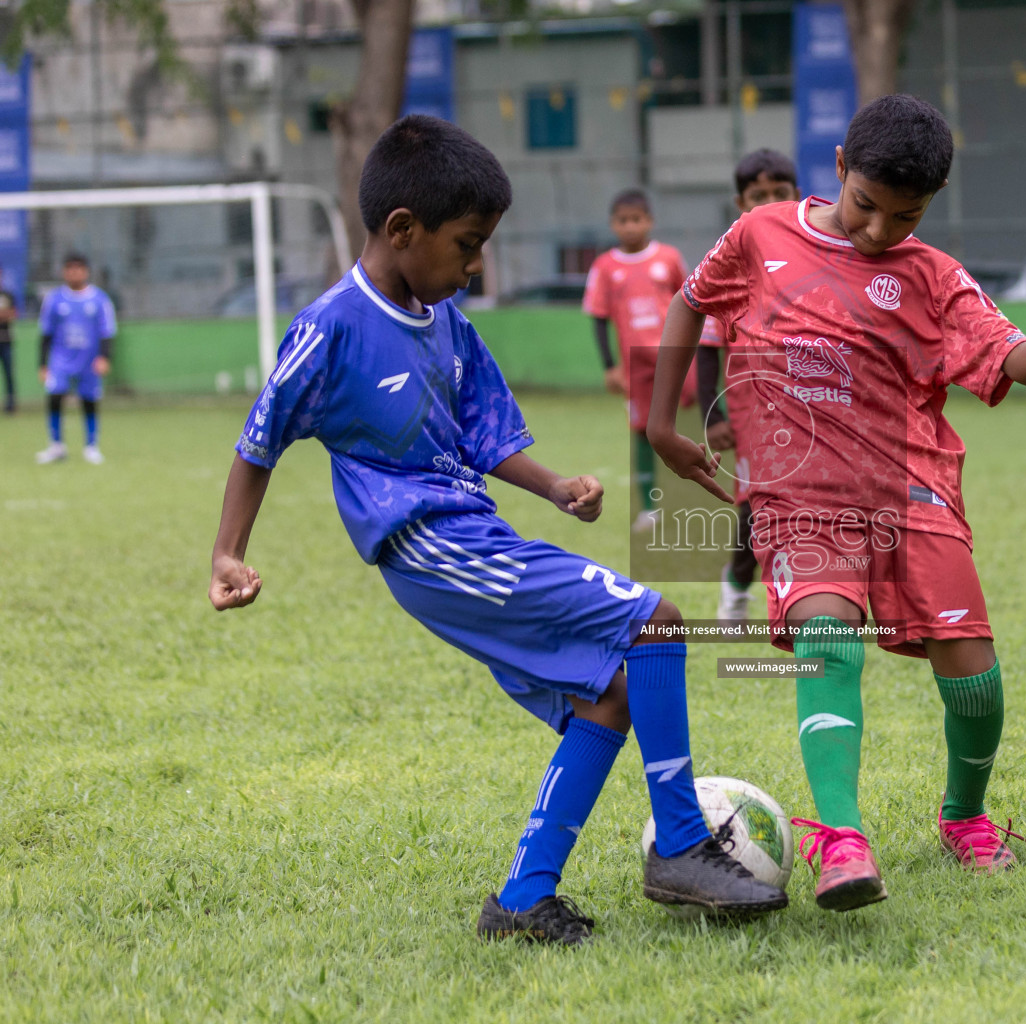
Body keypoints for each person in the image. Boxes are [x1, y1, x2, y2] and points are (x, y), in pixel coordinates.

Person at [206, 115, 787, 946]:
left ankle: (522, 901)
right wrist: (230, 550)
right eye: (468, 244)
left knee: (614, 691)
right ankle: (684, 849)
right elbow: (260, 438)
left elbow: (482, 436)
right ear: (402, 230)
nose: (476, 265)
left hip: (474, 535)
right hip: (428, 548)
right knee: (653, 619)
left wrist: (552, 486)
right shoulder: (330, 326)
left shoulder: (448, 323)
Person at [645, 95, 1026, 912]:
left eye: (904, 215)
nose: (880, 231)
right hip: (799, 495)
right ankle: (842, 841)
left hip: (912, 490)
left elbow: (1011, 363)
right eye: (866, 207)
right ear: (840, 168)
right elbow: (690, 302)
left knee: (975, 678)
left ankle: (964, 816)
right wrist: (660, 423)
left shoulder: (935, 278)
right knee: (828, 638)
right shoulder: (760, 233)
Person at [696, 148, 801, 623]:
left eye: (780, 193)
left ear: (798, 196)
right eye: (759, 196)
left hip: (810, 403)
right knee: (757, 504)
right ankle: (738, 583)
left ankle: (810, 596)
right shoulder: (732, 264)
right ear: (740, 202)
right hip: (751, 408)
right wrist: (711, 414)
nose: (770, 202)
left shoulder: (814, 256)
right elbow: (705, 345)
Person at [582, 190, 695, 533]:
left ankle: (694, 497)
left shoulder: (669, 258)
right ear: (613, 224)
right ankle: (649, 507)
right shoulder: (605, 267)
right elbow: (598, 317)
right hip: (635, 365)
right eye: (623, 220)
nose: (630, 226)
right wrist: (609, 366)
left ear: (649, 221)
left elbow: (691, 301)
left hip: (673, 356)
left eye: (637, 219)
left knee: (690, 420)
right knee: (644, 431)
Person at [36, 253, 117, 464]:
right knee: (54, 397)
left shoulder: (99, 299)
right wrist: (42, 364)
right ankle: (56, 446)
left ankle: (91, 446)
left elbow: (107, 331)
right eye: (70, 268)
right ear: (64, 272)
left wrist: (104, 357)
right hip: (60, 358)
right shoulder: (54, 299)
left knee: (89, 400)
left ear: (86, 271)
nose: (74, 272)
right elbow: (46, 333)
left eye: (78, 268)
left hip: (89, 359)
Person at [0, 276, 17, 414]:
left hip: (6, 341)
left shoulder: (8, 295)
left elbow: (13, 314)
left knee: (9, 374)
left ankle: (11, 404)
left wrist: (6, 314)